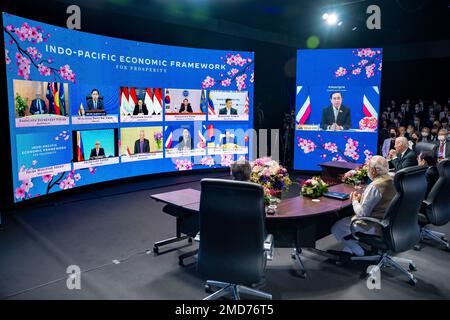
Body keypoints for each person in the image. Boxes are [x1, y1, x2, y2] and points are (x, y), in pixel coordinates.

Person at [331, 156, 396, 256]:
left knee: (336, 227)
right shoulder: (392, 179)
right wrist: (363, 198)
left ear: (373, 171)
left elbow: (362, 214)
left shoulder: (375, 186)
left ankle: (360, 252)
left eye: (368, 167)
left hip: (374, 225)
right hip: (390, 223)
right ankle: (349, 250)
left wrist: (354, 201)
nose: (367, 170)